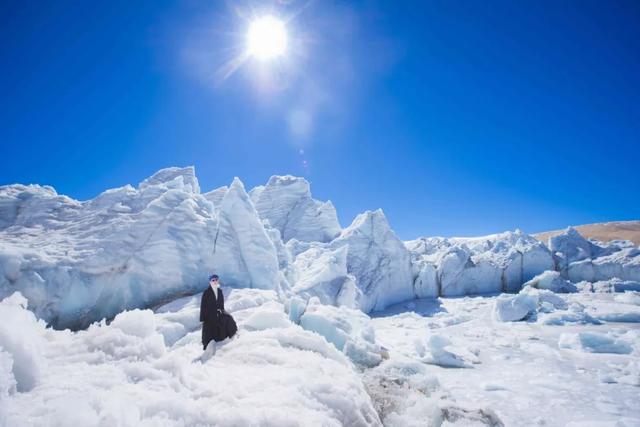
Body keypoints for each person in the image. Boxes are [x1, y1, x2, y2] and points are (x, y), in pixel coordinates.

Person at [200, 274, 238, 351]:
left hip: (218, 313)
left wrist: (222, 312)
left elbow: (221, 304)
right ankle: (208, 347)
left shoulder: (220, 291)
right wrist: (203, 318)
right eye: (213, 280)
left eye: (216, 280)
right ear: (210, 281)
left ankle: (225, 338)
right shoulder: (206, 292)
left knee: (228, 319)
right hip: (209, 314)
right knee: (209, 330)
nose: (215, 281)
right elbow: (203, 306)